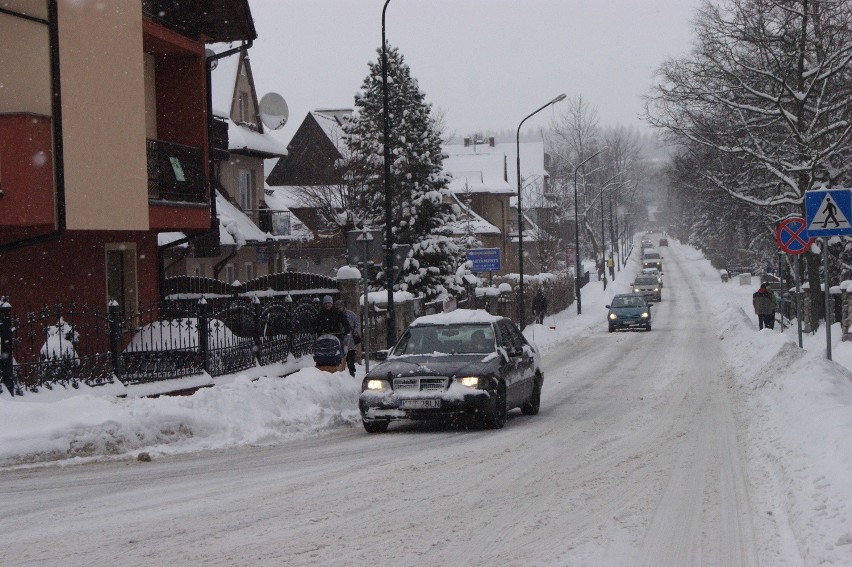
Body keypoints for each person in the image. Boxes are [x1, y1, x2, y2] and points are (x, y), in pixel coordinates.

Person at [314, 295, 352, 360]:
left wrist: (347, 329)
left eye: (329, 303)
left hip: (337, 335)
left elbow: (345, 322)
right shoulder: (320, 313)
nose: (327, 305)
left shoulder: (338, 313)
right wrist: (317, 330)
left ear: (332, 303)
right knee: (323, 351)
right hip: (324, 336)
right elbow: (315, 324)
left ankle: (340, 360)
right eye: (325, 303)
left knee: (339, 351)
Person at [335, 299, 361, 377]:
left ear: (343, 307)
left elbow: (357, 323)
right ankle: (340, 372)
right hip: (340, 340)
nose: (339, 308)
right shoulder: (335, 315)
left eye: (340, 307)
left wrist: (355, 332)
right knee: (340, 357)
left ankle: (351, 373)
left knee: (350, 358)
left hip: (350, 340)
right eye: (337, 307)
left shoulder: (351, 315)